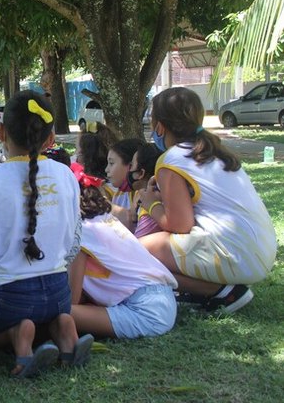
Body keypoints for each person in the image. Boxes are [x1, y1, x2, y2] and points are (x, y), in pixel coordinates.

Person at [0, 91, 92, 378]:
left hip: (10, 296)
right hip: (58, 294)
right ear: (50, 139)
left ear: (1, 132)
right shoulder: (67, 175)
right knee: (39, 314)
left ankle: (15, 333)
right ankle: (62, 326)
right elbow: (74, 242)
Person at [139, 87, 277, 314]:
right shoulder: (214, 151)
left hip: (234, 254)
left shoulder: (171, 159)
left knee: (135, 252)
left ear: (160, 127)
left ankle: (221, 292)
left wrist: (150, 203)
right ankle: (216, 289)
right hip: (260, 251)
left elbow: (180, 225)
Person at [67, 162, 178, 339]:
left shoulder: (80, 232)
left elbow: (71, 298)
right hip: (161, 299)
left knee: (59, 312)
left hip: (145, 311)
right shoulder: (101, 220)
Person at [105, 138, 144, 230]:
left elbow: (131, 223)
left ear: (131, 166)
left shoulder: (144, 194)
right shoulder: (119, 195)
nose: (106, 169)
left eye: (111, 163)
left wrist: (102, 205)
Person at [127, 143, 164, 238]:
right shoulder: (141, 197)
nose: (128, 170)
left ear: (141, 173)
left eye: (131, 165)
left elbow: (139, 242)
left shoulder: (149, 207)